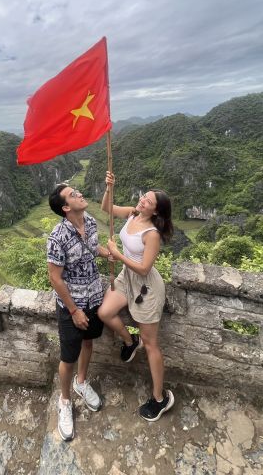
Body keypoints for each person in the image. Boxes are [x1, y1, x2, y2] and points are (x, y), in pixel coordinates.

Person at [98, 171, 175, 421]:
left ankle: (160, 398)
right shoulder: (132, 213)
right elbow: (107, 208)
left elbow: (144, 268)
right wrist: (110, 186)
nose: (142, 201)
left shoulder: (151, 233)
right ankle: (130, 343)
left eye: (148, 202)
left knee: (151, 343)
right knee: (104, 312)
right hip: (125, 278)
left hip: (146, 288)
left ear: (156, 212)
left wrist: (116, 253)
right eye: (144, 196)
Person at [47, 183, 111, 441]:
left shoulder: (92, 222)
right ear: (65, 207)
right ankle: (64, 400)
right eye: (73, 194)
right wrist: (74, 310)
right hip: (71, 305)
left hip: (95, 296)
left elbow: (92, 248)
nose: (80, 194)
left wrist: (107, 253)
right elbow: (55, 277)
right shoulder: (57, 236)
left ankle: (81, 382)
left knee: (88, 343)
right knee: (68, 356)